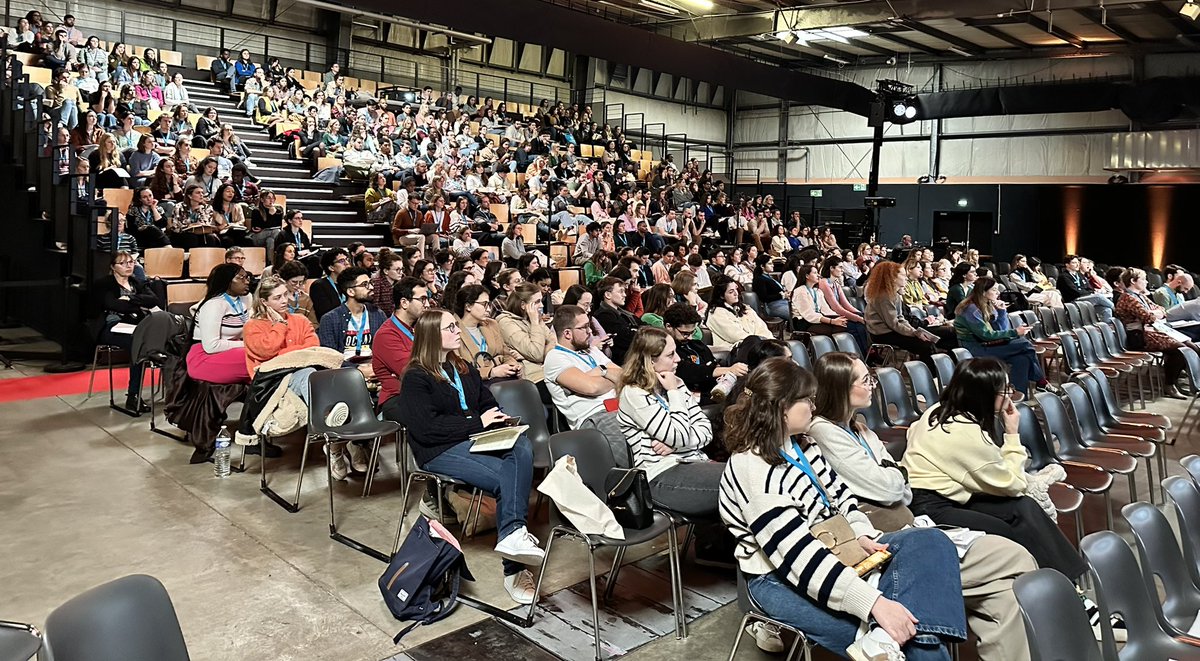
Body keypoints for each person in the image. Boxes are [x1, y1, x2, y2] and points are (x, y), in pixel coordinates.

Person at [721, 357, 967, 660]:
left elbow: (843, 499)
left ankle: (882, 640)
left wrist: (860, 535)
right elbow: (800, 559)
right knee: (912, 638)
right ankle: (891, 639)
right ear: (782, 407)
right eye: (806, 400)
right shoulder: (754, 469)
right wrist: (875, 604)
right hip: (778, 576)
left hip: (837, 548)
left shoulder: (804, 444)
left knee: (932, 541)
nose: (814, 406)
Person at [808, 352, 1036, 661]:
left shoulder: (860, 429)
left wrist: (894, 478)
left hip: (907, 522)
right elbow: (887, 485)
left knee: (1003, 594)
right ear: (840, 388)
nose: (873, 385)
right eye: (865, 380)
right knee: (1014, 557)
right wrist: (894, 478)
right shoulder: (823, 432)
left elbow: (899, 488)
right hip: (883, 540)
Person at [394, 308, 544, 605]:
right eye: (450, 328)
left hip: (475, 438)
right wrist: (477, 423)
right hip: (438, 449)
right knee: (507, 477)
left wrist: (500, 420)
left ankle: (513, 534)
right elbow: (425, 429)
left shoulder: (462, 366)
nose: (457, 331)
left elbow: (485, 403)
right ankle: (514, 568)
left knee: (522, 445)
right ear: (431, 336)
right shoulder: (415, 376)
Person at [903, 357, 1089, 587]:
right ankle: (1057, 588)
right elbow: (1014, 484)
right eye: (1004, 390)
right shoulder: (966, 435)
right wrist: (1012, 434)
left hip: (946, 495)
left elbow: (912, 432)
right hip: (931, 506)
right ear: (983, 395)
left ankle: (1066, 584)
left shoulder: (938, 410)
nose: (1009, 395)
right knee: (1007, 531)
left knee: (1024, 507)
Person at [617, 326, 720, 517]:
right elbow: (679, 435)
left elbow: (706, 430)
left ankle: (714, 543)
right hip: (660, 475)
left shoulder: (676, 382)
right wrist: (674, 392)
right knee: (740, 481)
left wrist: (676, 444)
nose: (678, 359)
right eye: (670, 355)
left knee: (747, 475)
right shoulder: (634, 393)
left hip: (692, 461)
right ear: (650, 360)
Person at [543, 304, 627, 461]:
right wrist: (610, 377)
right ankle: (628, 483)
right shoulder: (555, 358)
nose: (590, 332)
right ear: (567, 333)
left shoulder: (591, 350)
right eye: (584, 327)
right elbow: (591, 388)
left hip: (620, 406)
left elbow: (624, 376)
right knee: (628, 446)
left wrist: (601, 371)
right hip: (595, 417)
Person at [952, 277, 1048, 396]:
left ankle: (1018, 397)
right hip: (975, 348)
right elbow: (986, 335)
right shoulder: (971, 309)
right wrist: (1015, 332)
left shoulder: (986, 304)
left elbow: (1002, 330)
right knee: (1025, 344)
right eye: (994, 290)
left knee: (1021, 359)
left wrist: (1002, 312)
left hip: (987, 345)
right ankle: (1041, 381)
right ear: (983, 292)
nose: (998, 293)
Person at [93, 251, 162, 414]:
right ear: (113, 267)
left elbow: (154, 300)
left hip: (136, 325)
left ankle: (176, 392)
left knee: (164, 337)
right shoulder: (104, 284)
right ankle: (133, 396)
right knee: (137, 344)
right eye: (123, 263)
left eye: (131, 262)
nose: (128, 266)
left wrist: (130, 299)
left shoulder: (137, 282)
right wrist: (138, 303)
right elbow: (113, 305)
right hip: (112, 326)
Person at [1115, 268, 1191, 399]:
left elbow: (1161, 310)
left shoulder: (1140, 296)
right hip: (1139, 337)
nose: (1146, 282)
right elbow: (1149, 317)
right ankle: (1169, 385)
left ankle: (1184, 381)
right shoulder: (1128, 297)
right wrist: (1154, 314)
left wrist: (1155, 313)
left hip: (1150, 332)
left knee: (1190, 345)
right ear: (1133, 281)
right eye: (1143, 279)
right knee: (1181, 349)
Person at [864, 261, 945, 366]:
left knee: (929, 343)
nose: (906, 278)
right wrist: (914, 333)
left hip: (892, 330)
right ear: (893, 278)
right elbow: (893, 323)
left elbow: (901, 318)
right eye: (903, 275)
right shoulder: (883, 296)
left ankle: (934, 374)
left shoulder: (894, 294)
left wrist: (914, 331)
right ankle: (931, 376)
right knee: (926, 346)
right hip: (882, 334)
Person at [662, 303, 747, 403]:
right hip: (694, 395)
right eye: (685, 333)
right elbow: (688, 371)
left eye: (692, 332)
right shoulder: (665, 350)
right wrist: (729, 370)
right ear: (669, 326)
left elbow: (712, 363)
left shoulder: (696, 344)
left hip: (717, 387)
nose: (690, 337)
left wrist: (723, 373)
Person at [187, 263, 252, 384]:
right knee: (260, 358)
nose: (247, 281)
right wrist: (246, 344)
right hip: (205, 356)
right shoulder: (214, 304)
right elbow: (211, 346)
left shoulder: (244, 299)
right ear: (226, 282)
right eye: (241, 278)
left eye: (247, 277)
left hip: (233, 350)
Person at [453, 285, 523, 383]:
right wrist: (490, 372)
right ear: (468, 306)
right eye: (484, 304)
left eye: (489, 304)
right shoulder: (453, 329)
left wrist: (512, 367)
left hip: (501, 380)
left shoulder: (491, 324)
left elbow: (506, 354)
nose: (489, 309)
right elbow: (459, 370)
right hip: (474, 385)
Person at [495, 282, 554, 392]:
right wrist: (535, 323)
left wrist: (544, 353)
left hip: (548, 370)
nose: (541, 305)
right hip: (534, 379)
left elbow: (554, 340)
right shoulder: (506, 322)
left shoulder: (533, 318)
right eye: (537, 302)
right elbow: (536, 353)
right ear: (523, 305)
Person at [705, 278, 772, 349]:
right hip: (737, 350)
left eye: (736, 289)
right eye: (731, 292)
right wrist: (761, 343)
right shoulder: (716, 313)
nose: (736, 293)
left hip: (759, 345)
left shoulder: (745, 308)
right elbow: (735, 336)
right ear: (721, 296)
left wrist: (769, 341)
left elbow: (761, 327)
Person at [592, 276, 643, 365]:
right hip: (626, 361)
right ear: (608, 295)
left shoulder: (622, 312)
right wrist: (635, 331)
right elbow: (627, 338)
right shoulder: (604, 315)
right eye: (621, 291)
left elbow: (643, 324)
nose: (625, 295)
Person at [1057, 255, 1114, 322]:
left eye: (1078, 262)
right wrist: (1089, 292)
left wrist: (1088, 292)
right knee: (1098, 297)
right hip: (1074, 300)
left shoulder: (1079, 275)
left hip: (1085, 298)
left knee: (1106, 309)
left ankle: (1106, 328)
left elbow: (1089, 288)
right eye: (1074, 263)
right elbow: (1075, 292)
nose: (1077, 265)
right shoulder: (1063, 277)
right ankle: (1116, 310)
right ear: (1067, 265)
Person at [309, 248, 351, 320]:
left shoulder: (350, 284)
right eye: (341, 261)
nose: (347, 263)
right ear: (331, 267)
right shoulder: (319, 286)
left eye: (347, 259)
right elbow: (325, 313)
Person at [277, 260, 317, 327]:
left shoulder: (305, 299)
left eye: (301, 282)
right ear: (284, 279)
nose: (298, 285)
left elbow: (313, 324)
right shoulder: (276, 298)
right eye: (294, 282)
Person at [751, 253, 790, 320]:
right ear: (762, 266)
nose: (772, 265)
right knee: (794, 314)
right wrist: (782, 295)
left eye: (772, 263)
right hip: (772, 306)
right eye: (769, 264)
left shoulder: (768, 277)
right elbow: (764, 298)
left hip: (782, 302)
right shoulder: (759, 279)